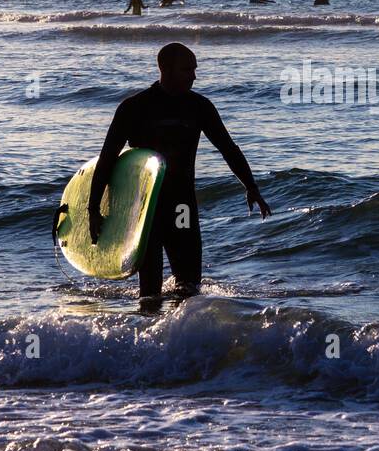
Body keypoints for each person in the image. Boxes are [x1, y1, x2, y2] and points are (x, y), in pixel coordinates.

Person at [88, 43, 271, 306]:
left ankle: (182, 340)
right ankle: (149, 341)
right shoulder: (134, 108)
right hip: (144, 209)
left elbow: (228, 147)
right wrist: (94, 208)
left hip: (182, 206)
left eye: (194, 70)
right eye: (187, 69)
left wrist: (250, 186)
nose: (194, 76)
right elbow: (107, 160)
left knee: (188, 289)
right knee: (149, 291)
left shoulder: (199, 107)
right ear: (165, 69)